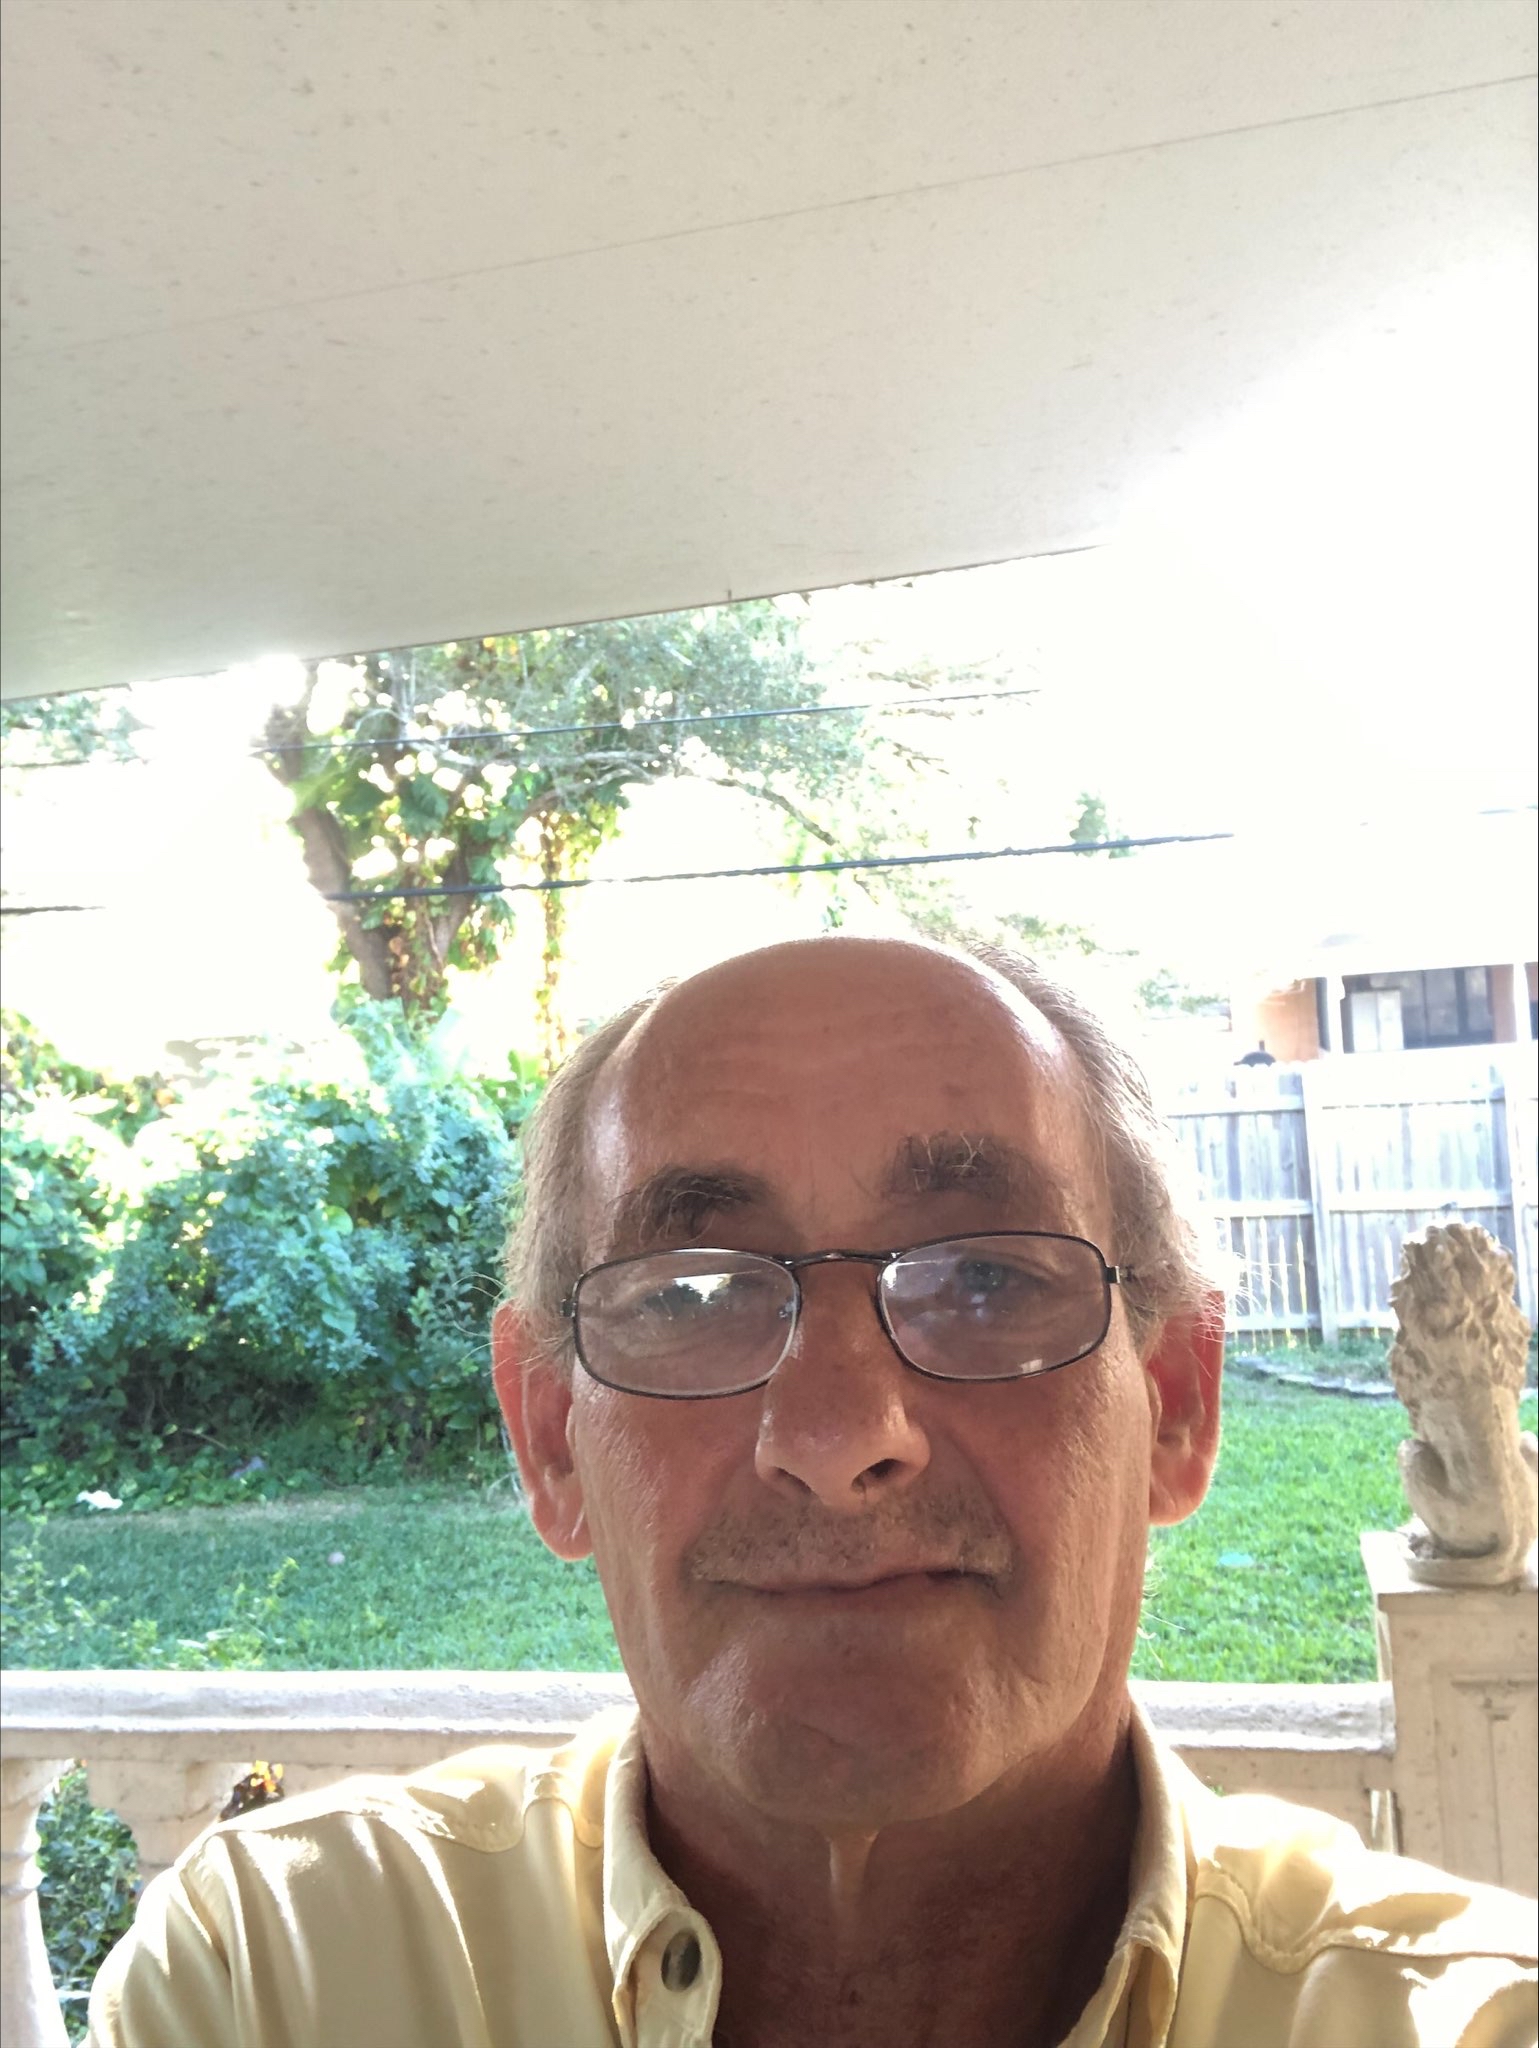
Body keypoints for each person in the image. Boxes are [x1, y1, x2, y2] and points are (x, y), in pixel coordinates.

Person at [89, 937, 1537, 2048]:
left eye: (986, 1278)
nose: (838, 1436)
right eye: (693, 1294)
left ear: (1176, 1405)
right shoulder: (278, 1978)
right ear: (549, 1439)